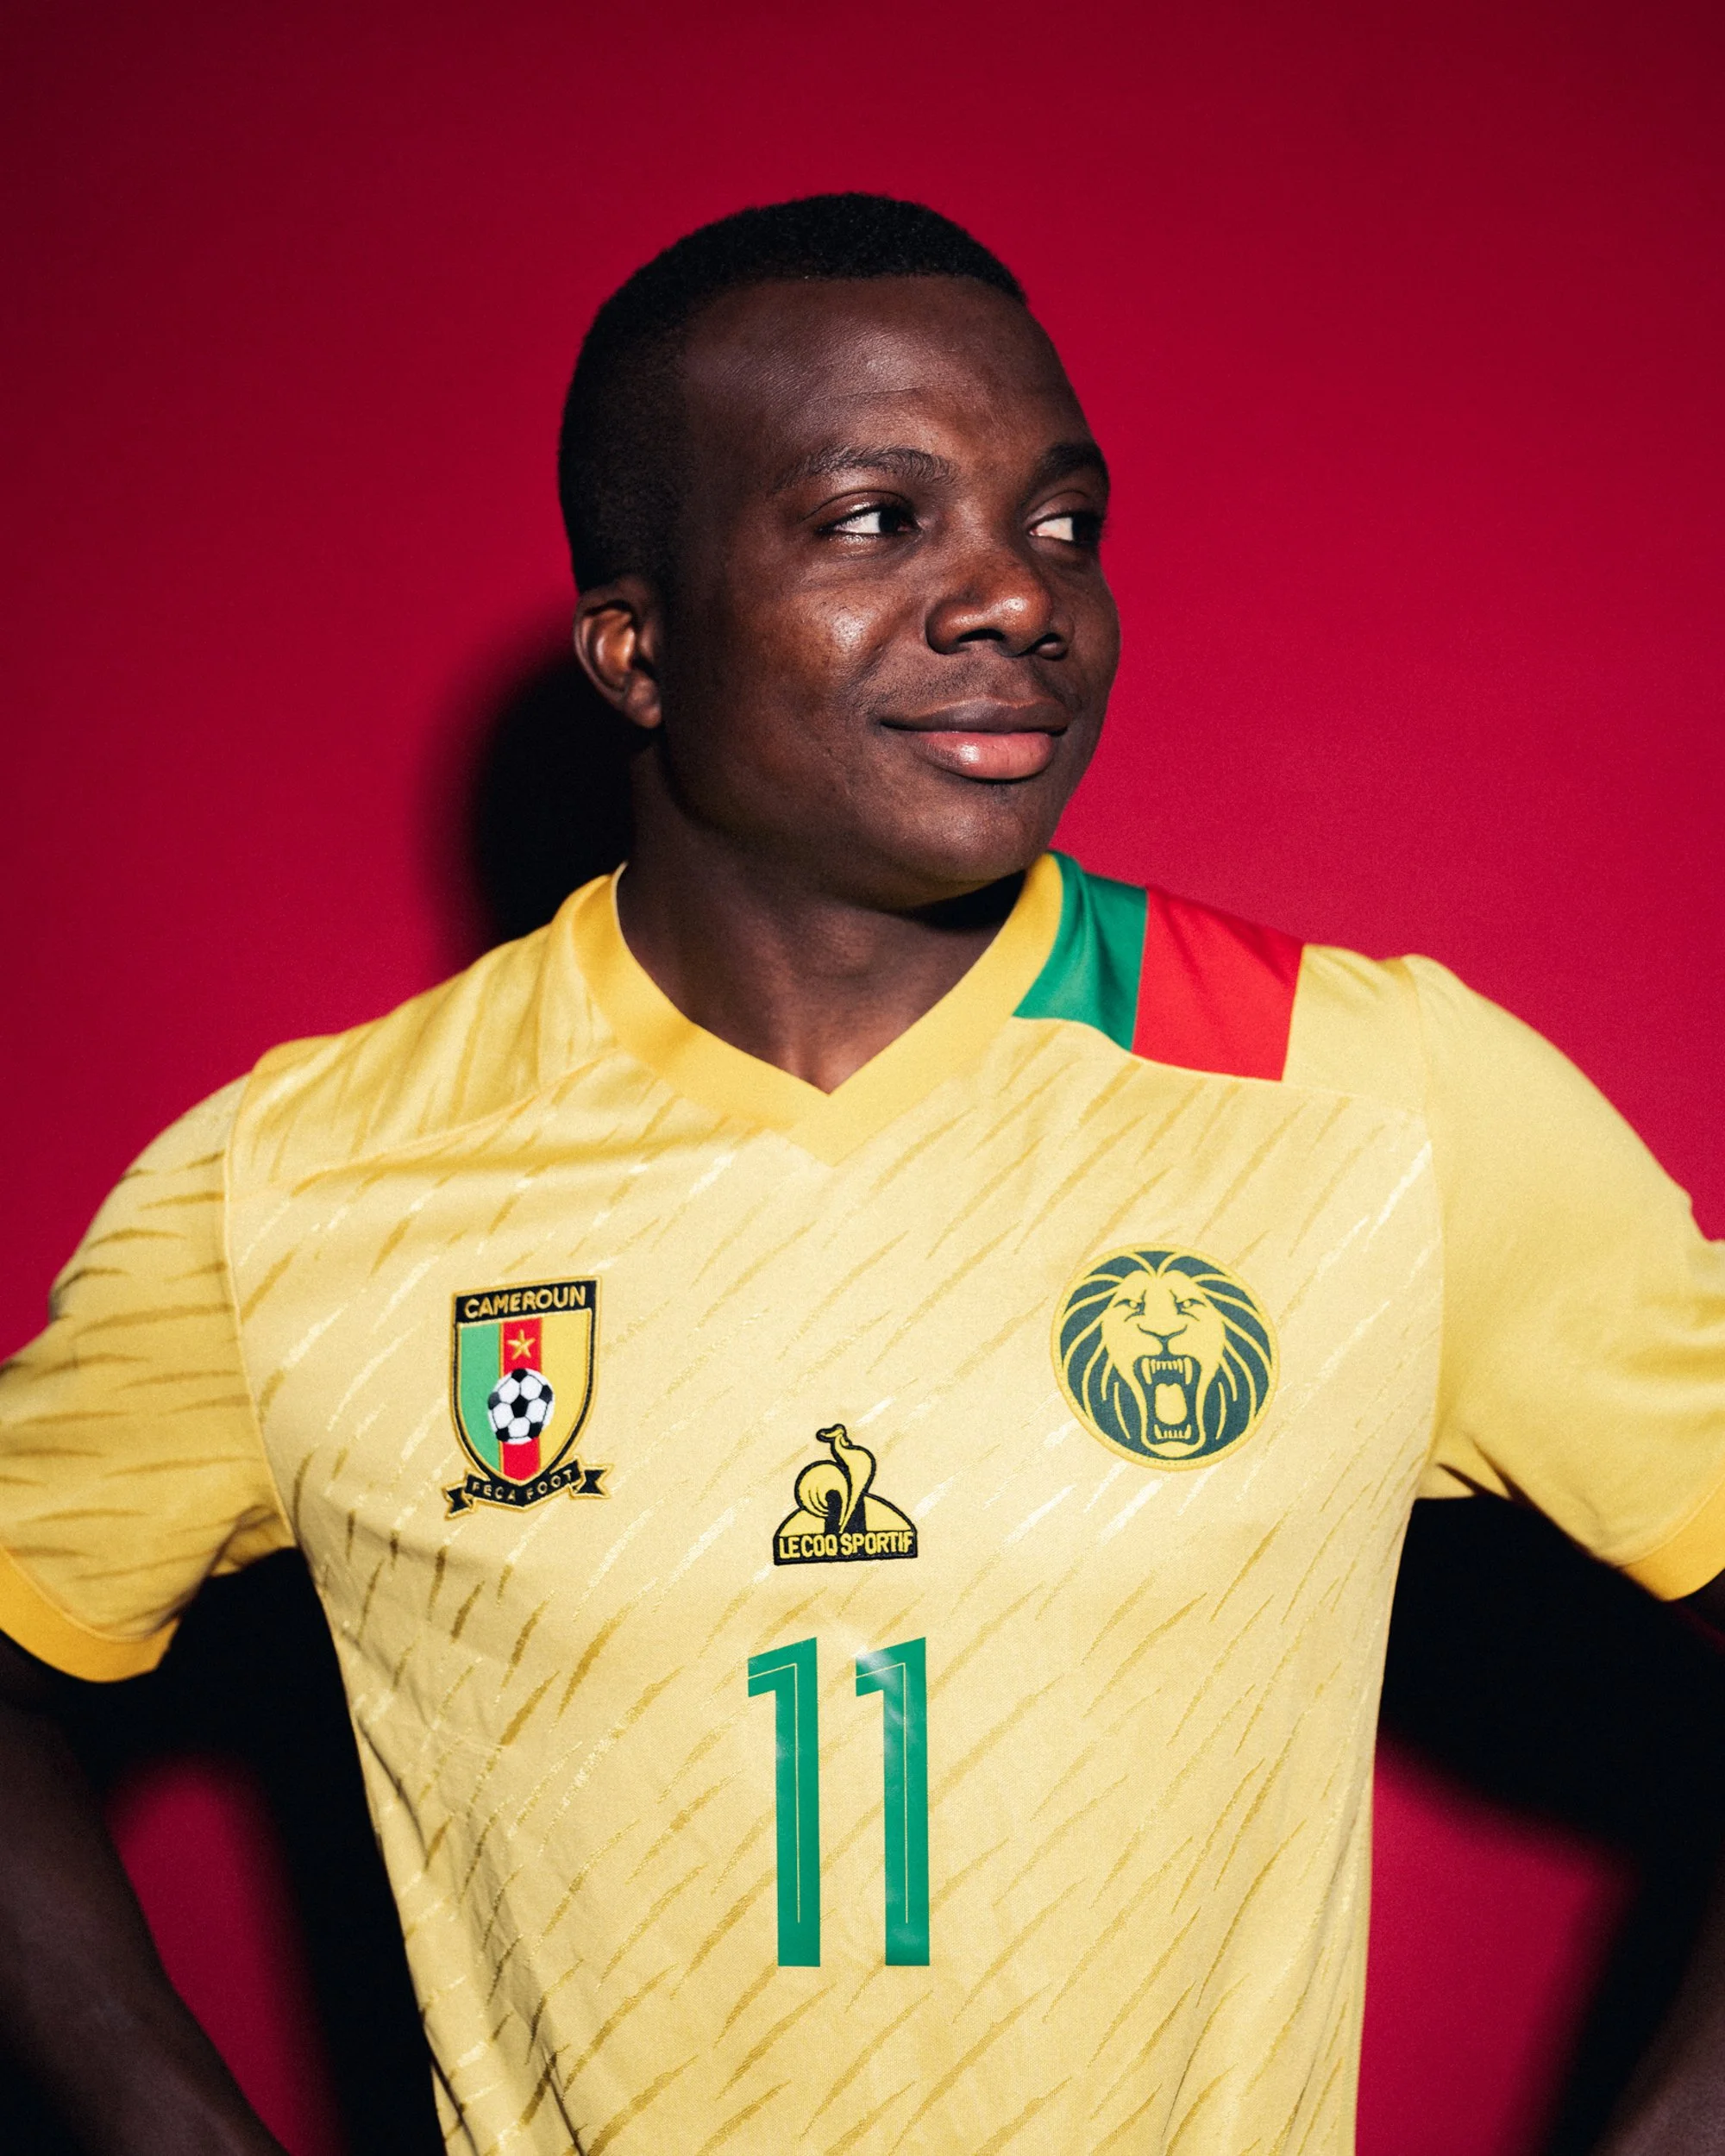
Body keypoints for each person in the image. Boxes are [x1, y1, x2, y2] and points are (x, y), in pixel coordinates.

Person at [0, 191, 1721, 2156]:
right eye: (873, 520)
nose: (1016, 596)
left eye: (1057, 521)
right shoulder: (308, 1179)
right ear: (634, 648)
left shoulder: (1366, 1099)